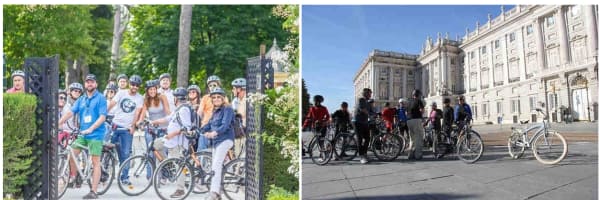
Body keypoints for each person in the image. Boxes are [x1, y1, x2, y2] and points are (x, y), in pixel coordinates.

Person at [58, 74, 107, 199]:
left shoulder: (100, 98)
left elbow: (102, 117)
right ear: (85, 84)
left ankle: (94, 192)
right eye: (87, 82)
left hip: (96, 134)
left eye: (92, 82)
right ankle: (75, 176)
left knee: (95, 162)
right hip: (83, 134)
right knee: (72, 153)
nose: (89, 84)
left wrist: (92, 128)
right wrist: (58, 123)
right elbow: (70, 112)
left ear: (96, 84)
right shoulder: (82, 99)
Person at [151, 87, 194, 198]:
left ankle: (180, 189)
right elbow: (167, 118)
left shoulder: (184, 110)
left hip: (178, 143)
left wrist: (171, 134)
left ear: (176, 98)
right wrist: (153, 122)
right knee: (156, 144)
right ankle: (168, 164)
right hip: (171, 141)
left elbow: (186, 128)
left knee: (180, 166)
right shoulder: (178, 109)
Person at [198, 87, 235, 200]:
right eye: (214, 97)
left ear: (223, 98)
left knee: (216, 165)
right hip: (216, 142)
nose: (216, 99)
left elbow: (225, 125)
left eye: (219, 97)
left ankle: (213, 193)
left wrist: (214, 133)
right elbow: (209, 124)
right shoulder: (215, 111)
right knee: (216, 165)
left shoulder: (227, 109)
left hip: (226, 139)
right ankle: (218, 192)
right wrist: (198, 130)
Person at [108, 75, 144, 186]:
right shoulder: (121, 93)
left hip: (126, 129)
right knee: (106, 149)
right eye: (133, 84)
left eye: (137, 85)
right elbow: (111, 105)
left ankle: (124, 177)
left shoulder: (139, 98)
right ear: (129, 84)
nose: (135, 87)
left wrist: (133, 126)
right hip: (115, 125)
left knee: (125, 153)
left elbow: (137, 113)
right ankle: (103, 174)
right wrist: (103, 115)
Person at [135, 79, 171, 178]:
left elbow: (168, 112)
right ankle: (150, 176)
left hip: (163, 127)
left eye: (154, 89)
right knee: (150, 151)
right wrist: (139, 123)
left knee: (161, 151)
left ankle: (164, 175)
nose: (152, 91)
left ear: (156, 89)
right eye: (150, 90)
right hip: (151, 128)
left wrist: (168, 121)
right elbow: (143, 114)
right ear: (147, 91)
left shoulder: (162, 97)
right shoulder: (146, 99)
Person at [197, 75, 229, 151]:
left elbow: (226, 111)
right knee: (201, 149)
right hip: (206, 126)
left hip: (218, 127)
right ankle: (201, 162)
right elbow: (200, 112)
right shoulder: (205, 98)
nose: (212, 87)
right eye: (210, 85)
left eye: (214, 85)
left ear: (219, 86)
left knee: (218, 150)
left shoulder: (223, 98)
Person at [355, 88, 373, 164]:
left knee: (368, 138)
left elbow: (371, 111)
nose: (370, 95)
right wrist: (369, 114)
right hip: (358, 122)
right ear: (365, 94)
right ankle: (361, 156)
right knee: (360, 139)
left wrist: (379, 114)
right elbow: (362, 109)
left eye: (370, 94)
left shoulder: (368, 102)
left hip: (365, 122)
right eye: (369, 94)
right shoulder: (361, 100)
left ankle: (365, 154)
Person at [406, 89, 425, 160]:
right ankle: (418, 155)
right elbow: (422, 110)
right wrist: (421, 115)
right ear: (418, 95)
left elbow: (406, 112)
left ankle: (410, 154)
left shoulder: (409, 102)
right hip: (416, 120)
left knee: (412, 138)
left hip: (409, 121)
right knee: (419, 137)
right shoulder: (418, 101)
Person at [231, 78, 247, 158]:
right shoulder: (239, 100)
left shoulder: (245, 100)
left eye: (234, 88)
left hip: (244, 132)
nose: (232, 90)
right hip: (239, 132)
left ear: (239, 89)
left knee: (241, 157)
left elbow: (240, 114)